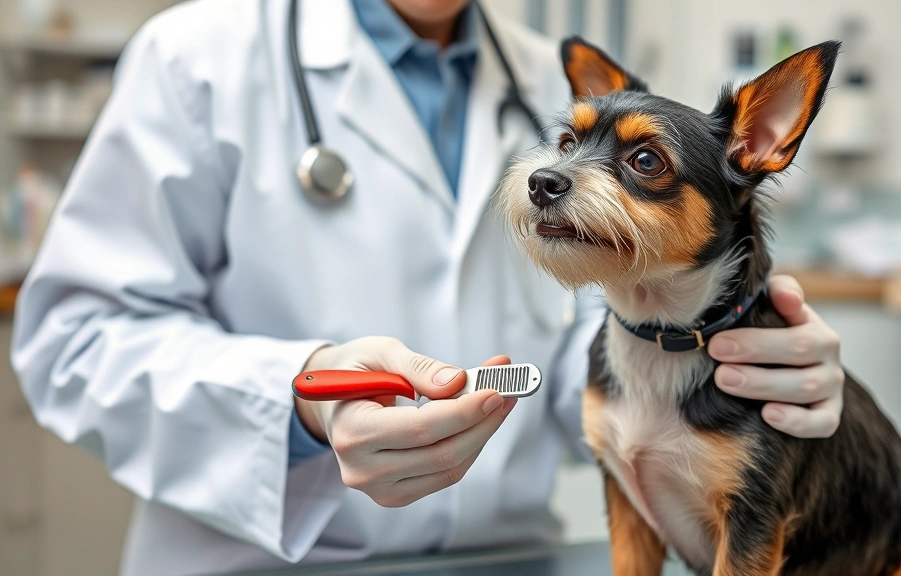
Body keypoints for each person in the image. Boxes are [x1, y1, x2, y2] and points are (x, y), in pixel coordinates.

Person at [9, 0, 845, 574]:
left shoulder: (542, 72)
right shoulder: (197, 55)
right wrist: (300, 402)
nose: (564, 171)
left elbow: (563, 360)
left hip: (510, 558)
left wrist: (720, 369)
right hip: (265, 559)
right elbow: (76, 338)